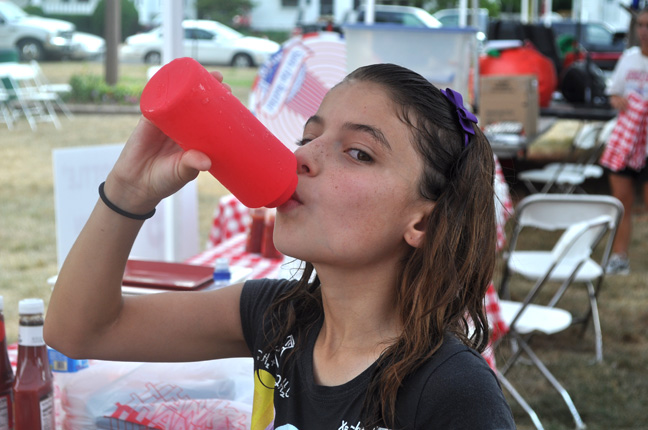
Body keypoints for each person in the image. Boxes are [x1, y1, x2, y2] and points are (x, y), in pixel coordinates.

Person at [44, 63, 515, 429]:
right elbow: (81, 331)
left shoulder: (453, 392)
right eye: (308, 137)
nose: (302, 157)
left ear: (422, 222)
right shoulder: (279, 317)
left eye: (358, 152)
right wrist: (128, 191)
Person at [600, 7, 648, 275]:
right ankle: (619, 257)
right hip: (627, 142)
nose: (643, 31)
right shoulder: (629, 59)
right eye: (640, 25)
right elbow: (614, 94)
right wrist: (618, 101)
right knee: (621, 202)